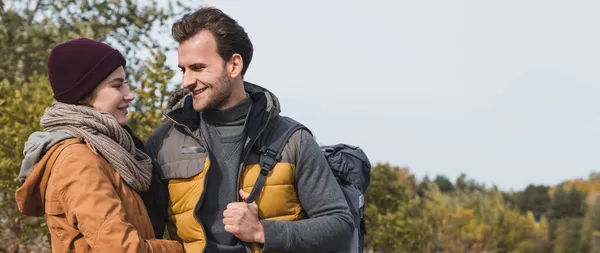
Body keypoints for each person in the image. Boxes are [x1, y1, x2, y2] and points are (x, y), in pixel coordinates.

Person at [143, 6, 355, 253]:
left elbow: (340, 225)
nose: (186, 81)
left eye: (198, 68)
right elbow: (145, 231)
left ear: (234, 65)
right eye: (184, 69)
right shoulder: (162, 142)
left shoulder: (291, 140)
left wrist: (262, 232)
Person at [14, 38, 183, 253]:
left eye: (125, 83)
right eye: (117, 85)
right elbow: (121, 249)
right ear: (84, 93)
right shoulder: (78, 160)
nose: (129, 95)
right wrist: (184, 250)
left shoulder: (105, 149)